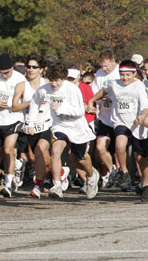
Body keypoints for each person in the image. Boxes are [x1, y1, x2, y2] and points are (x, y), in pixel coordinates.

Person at [28, 61, 99, 199]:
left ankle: (91, 176)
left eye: (57, 81)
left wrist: (60, 109)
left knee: (80, 159)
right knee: (55, 150)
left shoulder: (72, 89)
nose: (54, 84)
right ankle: (57, 184)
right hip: (59, 126)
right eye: (51, 81)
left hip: (77, 127)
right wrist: (30, 122)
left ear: (63, 78)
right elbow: (34, 102)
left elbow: (79, 111)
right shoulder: (45, 89)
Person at [88, 60, 148, 201]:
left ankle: (145, 183)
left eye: (128, 75)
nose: (125, 78)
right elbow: (103, 91)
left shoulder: (139, 86)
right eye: (122, 75)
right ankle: (124, 172)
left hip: (136, 124)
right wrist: (91, 100)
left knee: (140, 158)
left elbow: (145, 107)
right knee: (119, 146)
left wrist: (142, 117)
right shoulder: (114, 84)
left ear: (134, 73)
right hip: (120, 121)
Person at [12, 54, 53, 199]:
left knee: (39, 151)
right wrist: (30, 103)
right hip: (30, 125)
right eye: (28, 67)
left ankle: (38, 185)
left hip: (47, 124)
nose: (30, 70)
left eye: (34, 67)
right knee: (38, 157)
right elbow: (15, 106)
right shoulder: (22, 86)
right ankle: (59, 172)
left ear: (42, 69)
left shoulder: (47, 84)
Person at [0, 53, 26, 197]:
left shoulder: (20, 79)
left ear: (12, 68)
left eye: (6, 72)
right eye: (1, 73)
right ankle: (11, 172)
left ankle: (7, 184)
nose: (4, 75)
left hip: (14, 118)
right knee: (2, 152)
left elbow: (26, 100)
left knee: (8, 150)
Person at [92, 50, 119, 187]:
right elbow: (95, 92)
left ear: (113, 61)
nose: (104, 69)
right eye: (102, 66)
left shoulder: (121, 73)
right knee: (100, 146)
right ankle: (112, 170)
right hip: (105, 116)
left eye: (106, 66)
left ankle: (123, 175)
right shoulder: (99, 74)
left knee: (120, 150)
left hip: (120, 118)